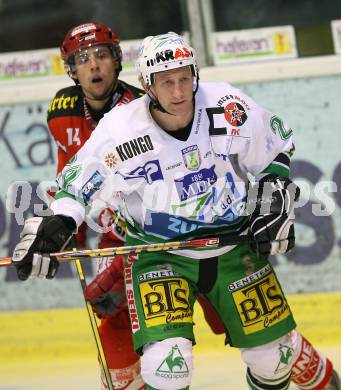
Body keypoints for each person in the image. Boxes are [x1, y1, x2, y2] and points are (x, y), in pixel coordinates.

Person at [12, 32, 340, 390]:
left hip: (232, 248)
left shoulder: (226, 103)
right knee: (166, 366)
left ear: (196, 73)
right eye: (166, 82)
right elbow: (76, 186)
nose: (179, 91)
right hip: (159, 255)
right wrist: (57, 222)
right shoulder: (122, 129)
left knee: (273, 360)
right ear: (147, 85)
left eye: (185, 77)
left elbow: (275, 148)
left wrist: (274, 193)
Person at [47, 22, 145, 390]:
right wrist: (67, 229)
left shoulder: (142, 110)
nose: (94, 66)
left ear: (117, 61)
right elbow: (68, 177)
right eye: (83, 59)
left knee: (257, 341)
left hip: (163, 233)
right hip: (114, 236)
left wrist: (123, 264)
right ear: (72, 70)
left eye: (101, 55)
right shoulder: (62, 110)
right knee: (116, 319)